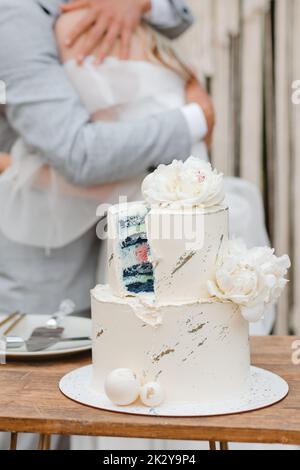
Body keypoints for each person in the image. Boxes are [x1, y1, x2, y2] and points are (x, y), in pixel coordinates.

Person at [0, 0, 214, 318]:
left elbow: (179, 15)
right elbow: (78, 153)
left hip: (137, 232)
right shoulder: (16, 15)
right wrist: (196, 118)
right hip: (51, 255)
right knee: (45, 358)